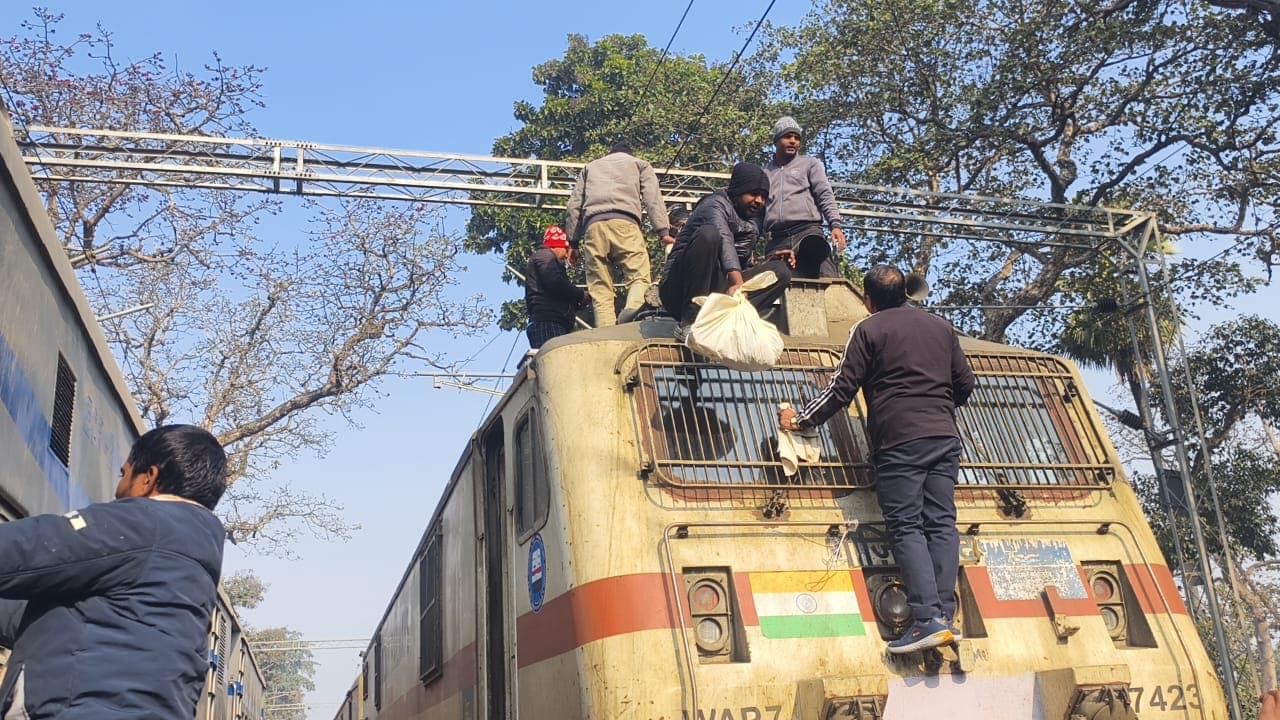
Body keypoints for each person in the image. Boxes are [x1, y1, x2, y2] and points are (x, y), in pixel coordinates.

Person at [779, 265, 975, 654]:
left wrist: (799, 419)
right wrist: (933, 406)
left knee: (905, 527)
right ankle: (944, 615)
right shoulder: (941, 327)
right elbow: (966, 384)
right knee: (941, 523)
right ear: (905, 292)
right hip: (944, 437)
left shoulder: (867, 330)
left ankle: (925, 620)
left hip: (900, 442)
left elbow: (840, 388)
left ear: (868, 301)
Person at [0, 424, 229, 719]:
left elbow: (21, 550)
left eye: (124, 474)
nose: (118, 490)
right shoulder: (188, 556)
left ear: (149, 477)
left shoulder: (143, 523)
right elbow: (67, 620)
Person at [658, 162, 793, 334]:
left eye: (763, 196)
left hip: (719, 287)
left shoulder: (756, 216)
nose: (759, 201)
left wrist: (769, 262)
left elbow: (742, 259)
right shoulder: (714, 205)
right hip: (679, 289)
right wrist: (737, 283)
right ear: (737, 191)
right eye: (753, 194)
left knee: (780, 272)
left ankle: (732, 319)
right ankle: (690, 321)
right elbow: (725, 240)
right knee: (709, 235)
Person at [564, 143, 675, 327]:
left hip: (594, 228)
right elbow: (652, 198)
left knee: (600, 289)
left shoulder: (590, 167)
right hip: (626, 225)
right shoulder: (639, 164)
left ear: (610, 153)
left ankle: (606, 335)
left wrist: (573, 243)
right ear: (629, 153)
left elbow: (573, 206)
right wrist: (663, 232)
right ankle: (628, 318)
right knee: (639, 277)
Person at [762, 116, 847, 279]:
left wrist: (835, 225)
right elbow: (758, 211)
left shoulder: (809, 165)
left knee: (828, 281)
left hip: (808, 233)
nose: (793, 141)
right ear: (776, 141)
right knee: (770, 286)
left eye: (797, 138)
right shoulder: (764, 174)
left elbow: (825, 194)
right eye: (788, 136)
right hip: (778, 239)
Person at [525, 225, 587, 349]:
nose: (566, 256)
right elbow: (555, 283)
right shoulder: (545, 257)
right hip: (548, 322)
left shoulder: (546, 258)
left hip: (552, 322)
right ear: (556, 246)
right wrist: (580, 295)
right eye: (565, 249)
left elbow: (557, 293)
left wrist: (577, 303)